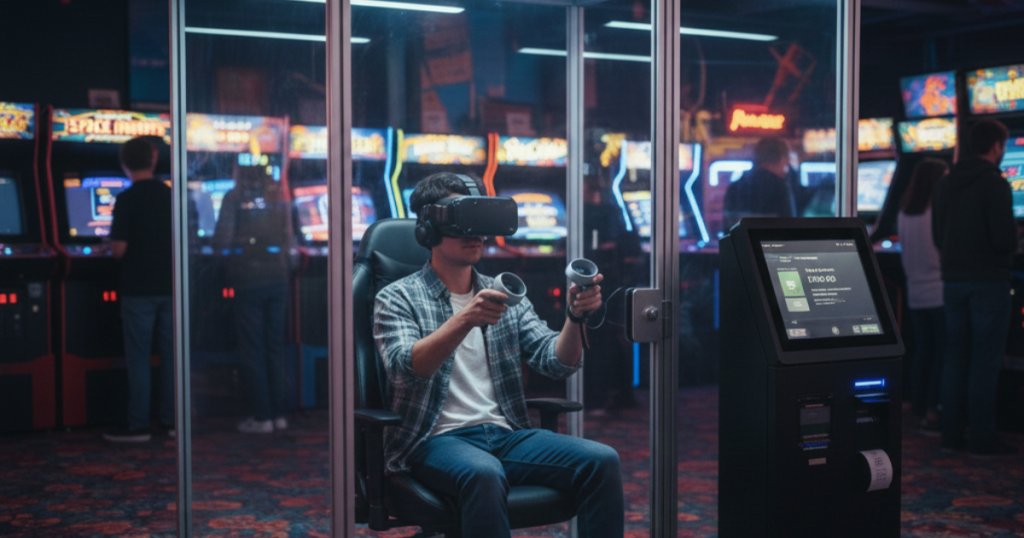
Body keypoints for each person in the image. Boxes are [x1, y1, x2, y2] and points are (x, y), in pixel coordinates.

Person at [373, 173, 624, 537]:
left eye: (481, 222)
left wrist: (574, 316)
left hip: (505, 434)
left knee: (602, 460)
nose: (475, 234)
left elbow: (556, 361)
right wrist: (464, 319)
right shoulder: (397, 297)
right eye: (462, 221)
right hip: (433, 441)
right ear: (428, 229)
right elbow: (404, 369)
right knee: (483, 471)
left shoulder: (503, 293)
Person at [932, 119, 1018, 455]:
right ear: (996, 146)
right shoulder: (995, 184)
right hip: (988, 282)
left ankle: (950, 434)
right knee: (984, 362)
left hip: (952, 280)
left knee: (955, 360)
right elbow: (1004, 239)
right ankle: (982, 437)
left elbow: (938, 236)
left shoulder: (946, 183)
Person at [104, 137, 174, 443]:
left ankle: (138, 426)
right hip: (172, 287)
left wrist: (104, 247)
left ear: (124, 164)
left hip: (139, 289)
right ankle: (174, 422)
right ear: (154, 158)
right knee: (173, 357)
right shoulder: (170, 195)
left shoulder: (126, 199)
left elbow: (119, 250)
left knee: (139, 358)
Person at [214, 165, 294, 434]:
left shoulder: (233, 196)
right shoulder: (278, 195)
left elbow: (222, 241)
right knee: (275, 347)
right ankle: (279, 414)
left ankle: (262, 417)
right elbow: (289, 238)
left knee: (253, 348)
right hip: (278, 277)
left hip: (248, 278)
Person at [897, 158, 949, 432]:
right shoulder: (937, 210)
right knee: (942, 352)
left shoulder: (905, 211)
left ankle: (918, 406)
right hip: (939, 290)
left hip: (915, 291)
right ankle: (933, 409)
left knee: (922, 351)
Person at [722, 137, 796, 230]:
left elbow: (728, 229)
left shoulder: (735, 187)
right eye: (786, 163)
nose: (786, 169)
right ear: (781, 160)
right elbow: (789, 228)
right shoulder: (780, 187)